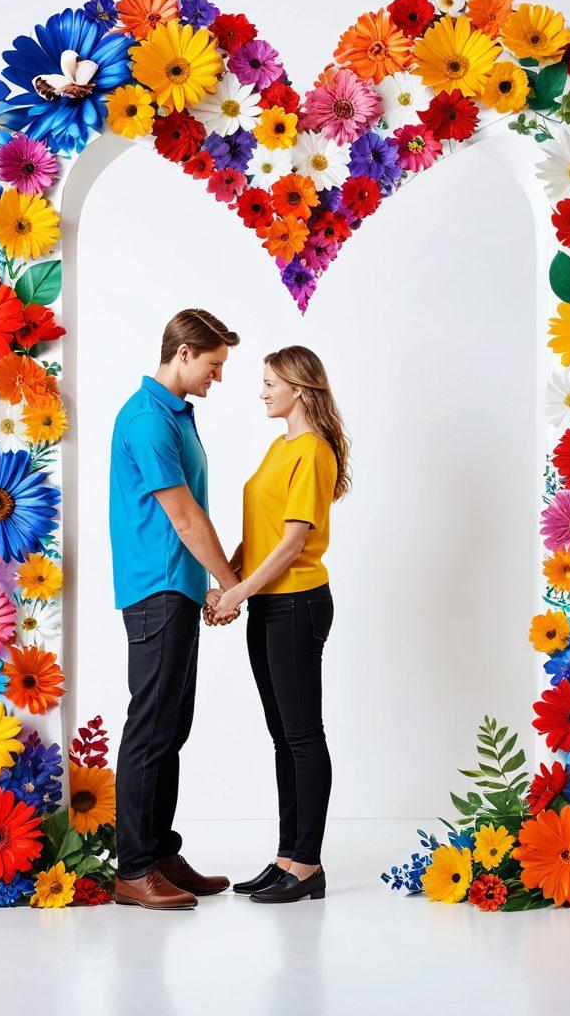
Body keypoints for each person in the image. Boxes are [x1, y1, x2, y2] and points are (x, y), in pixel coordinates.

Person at [110, 308, 243, 911]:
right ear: (183, 353)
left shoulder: (177, 416)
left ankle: (160, 852)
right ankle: (133, 868)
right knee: (151, 728)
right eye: (214, 366)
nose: (218, 378)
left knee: (171, 727)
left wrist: (215, 584)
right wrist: (232, 582)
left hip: (178, 589)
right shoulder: (147, 420)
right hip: (157, 588)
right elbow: (185, 517)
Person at [208, 346, 350, 903]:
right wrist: (231, 581)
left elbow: (293, 544)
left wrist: (239, 591)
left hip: (297, 605)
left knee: (302, 735)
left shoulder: (312, 452)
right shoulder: (279, 447)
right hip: (269, 602)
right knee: (282, 737)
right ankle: (287, 856)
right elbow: (263, 535)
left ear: (299, 387)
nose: (261, 391)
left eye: (270, 382)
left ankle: (308, 865)